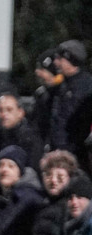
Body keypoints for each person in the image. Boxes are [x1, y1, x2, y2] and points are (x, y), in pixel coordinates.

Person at [49, 40, 92, 171]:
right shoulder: (60, 86)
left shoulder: (86, 86)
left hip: (77, 155)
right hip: (59, 152)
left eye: (60, 59)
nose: (56, 63)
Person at [0, 92, 43, 175]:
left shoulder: (30, 140)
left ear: (20, 112)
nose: (4, 114)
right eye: (0, 110)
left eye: (9, 110)